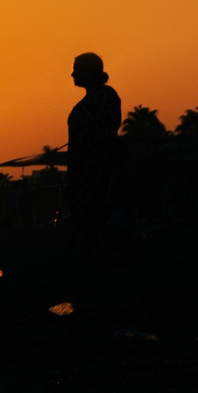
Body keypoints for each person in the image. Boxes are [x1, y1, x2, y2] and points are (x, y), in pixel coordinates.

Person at [66, 52, 123, 262]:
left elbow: (102, 137)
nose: (72, 74)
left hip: (94, 177)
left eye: (76, 68)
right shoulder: (97, 99)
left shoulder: (103, 98)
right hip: (87, 177)